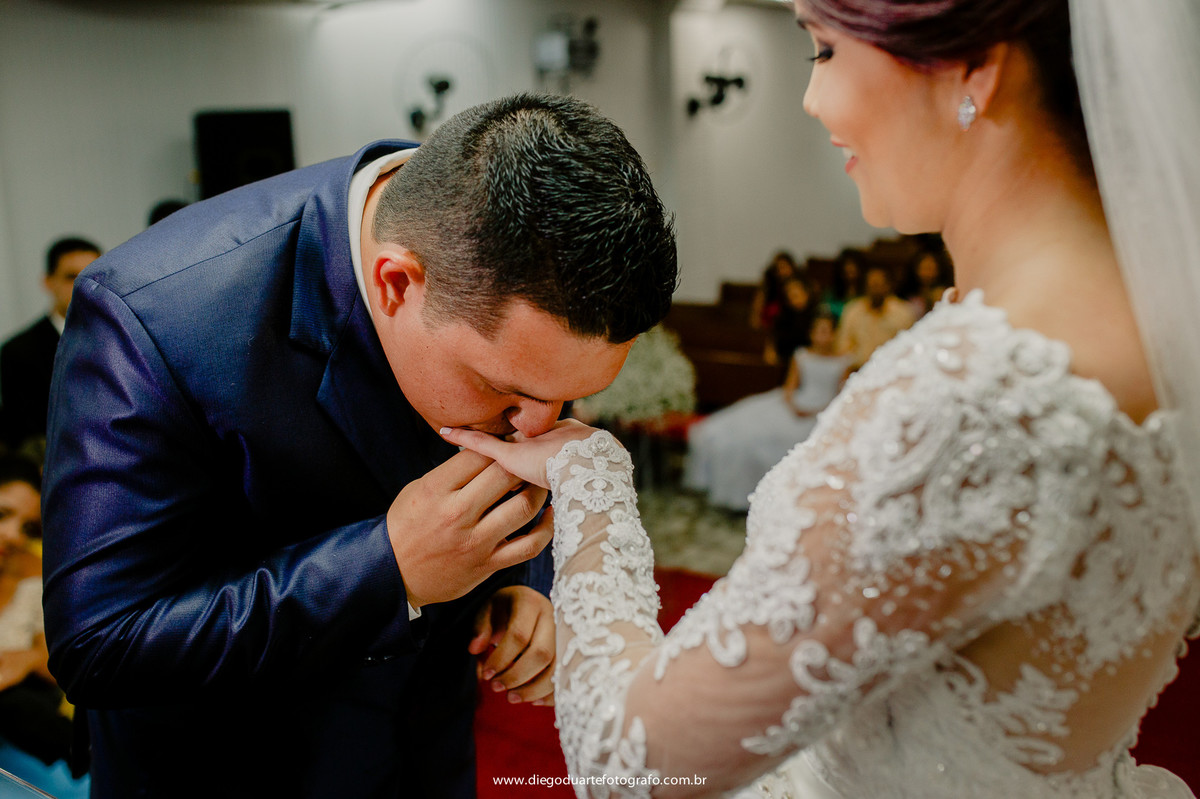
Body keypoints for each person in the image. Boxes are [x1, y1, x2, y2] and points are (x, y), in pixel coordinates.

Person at [439, 1, 1200, 797]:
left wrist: (591, 472)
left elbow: (630, 764)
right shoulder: (1161, 325)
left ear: (976, 63)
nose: (810, 99)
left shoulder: (974, 399)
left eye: (826, 50)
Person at [40, 93, 677, 798]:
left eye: (565, 398)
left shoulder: (512, 292)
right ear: (396, 282)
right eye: (507, 392)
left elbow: (512, 450)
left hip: (428, 756)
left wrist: (523, 583)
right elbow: (101, 642)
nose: (539, 428)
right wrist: (389, 567)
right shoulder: (150, 316)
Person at [684, 311, 848, 512]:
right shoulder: (802, 355)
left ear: (835, 333)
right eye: (818, 331)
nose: (822, 336)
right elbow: (790, 387)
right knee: (740, 430)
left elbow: (842, 396)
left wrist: (816, 410)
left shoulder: (844, 361)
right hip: (795, 404)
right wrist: (794, 406)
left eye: (826, 331)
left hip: (822, 411)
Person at [0, 454, 89, 799]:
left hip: (28, 743)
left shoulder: (34, 580)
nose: (12, 536)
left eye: (28, 528)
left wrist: (26, 660)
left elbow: (59, 670)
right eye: (2, 515)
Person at [0, 237, 100, 451]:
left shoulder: (124, 339)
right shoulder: (19, 352)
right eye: (71, 277)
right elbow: (23, 434)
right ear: (48, 282)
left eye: (92, 276)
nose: (83, 286)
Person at [834, 263, 915, 368]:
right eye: (871, 285)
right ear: (865, 287)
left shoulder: (903, 313)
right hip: (858, 369)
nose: (875, 290)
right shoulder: (852, 310)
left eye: (878, 285)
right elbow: (842, 346)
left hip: (891, 369)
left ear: (888, 286)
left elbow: (908, 348)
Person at [897, 244, 954, 319]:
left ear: (938, 270)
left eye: (931, 269)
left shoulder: (944, 292)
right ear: (916, 269)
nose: (928, 273)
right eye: (925, 268)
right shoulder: (905, 293)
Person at [818, 246, 865, 319]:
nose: (850, 268)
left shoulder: (866, 294)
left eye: (853, 264)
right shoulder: (830, 294)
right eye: (847, 264)